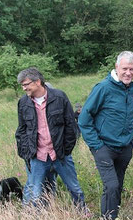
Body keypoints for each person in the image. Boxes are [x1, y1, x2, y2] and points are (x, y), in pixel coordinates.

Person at [78, 51, 133, 220]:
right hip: (104, 147)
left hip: (125, 147)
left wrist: (130, 140)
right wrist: (96, 145)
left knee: (117, 186)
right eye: (125, 68)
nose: (128, 73)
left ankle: (113, 218)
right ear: (117, 67)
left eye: (132, 69)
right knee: (111, 186)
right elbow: (84, 119)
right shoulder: (103, 88)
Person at [15, 67, 86, 208]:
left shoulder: (59, 97)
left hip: (60, 155)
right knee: (36, 194)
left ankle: (82, 212)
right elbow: (22, 130)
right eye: (22, 85)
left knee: (74, 188)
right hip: (38, 157)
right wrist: (27, 154)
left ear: (37, 82)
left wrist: (66, 150)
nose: (24, 88)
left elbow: (71, 125)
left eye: (26, 84)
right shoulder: (23, 103)